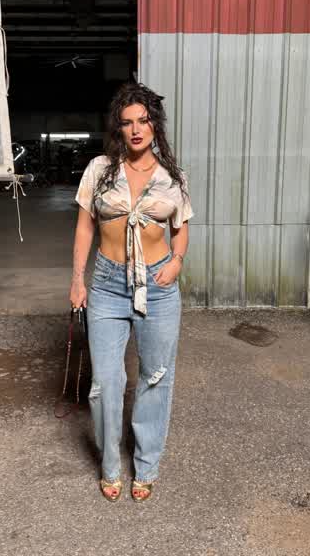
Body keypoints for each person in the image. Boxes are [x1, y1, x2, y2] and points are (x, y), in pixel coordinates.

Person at [70, 83, 194, 502]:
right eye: (127, 123)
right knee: (106, 381)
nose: (136, 129)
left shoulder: (173, 177)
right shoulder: (100, 169)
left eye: (143, 121)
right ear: (118, 128)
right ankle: (109, 464)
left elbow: (181, 227)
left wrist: (176, 261)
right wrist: (78, 279)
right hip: (107, 284)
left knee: (155, 377)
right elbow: (85, 226)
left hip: (157, 286)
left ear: (155, 125)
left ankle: (146, 465)